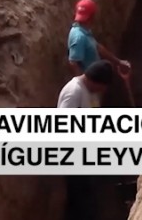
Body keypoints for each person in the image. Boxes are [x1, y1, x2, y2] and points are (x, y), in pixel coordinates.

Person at [57, 60, 114, 220]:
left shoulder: (90, 92)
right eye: (102, 87)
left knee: (88, 195)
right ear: (95, 81)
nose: (102, 91)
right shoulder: (74, 92)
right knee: (79, 199)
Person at [68, 0, 130, 77]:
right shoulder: (79, 37)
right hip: (90, 82)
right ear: (92, 16)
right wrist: (84, 86)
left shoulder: (84, 30)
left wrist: (118, 62)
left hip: (96, 78)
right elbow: (73, 63)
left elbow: (98, 47)